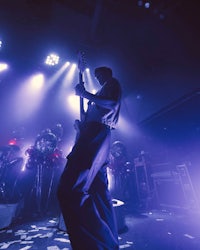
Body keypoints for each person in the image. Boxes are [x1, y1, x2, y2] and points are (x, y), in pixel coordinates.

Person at [57, 66, 122, 249]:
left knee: (70, 189)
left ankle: (97, 244)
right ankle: (109, 243)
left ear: (108, 73)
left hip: (97, 133)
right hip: (94, 132)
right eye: (96, 75)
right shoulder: (101, 91)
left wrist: (85, 94)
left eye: (100, 74)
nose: (98, 77)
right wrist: (81, 127)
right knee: (98, 191)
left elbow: (111, 104)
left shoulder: (112, 84)